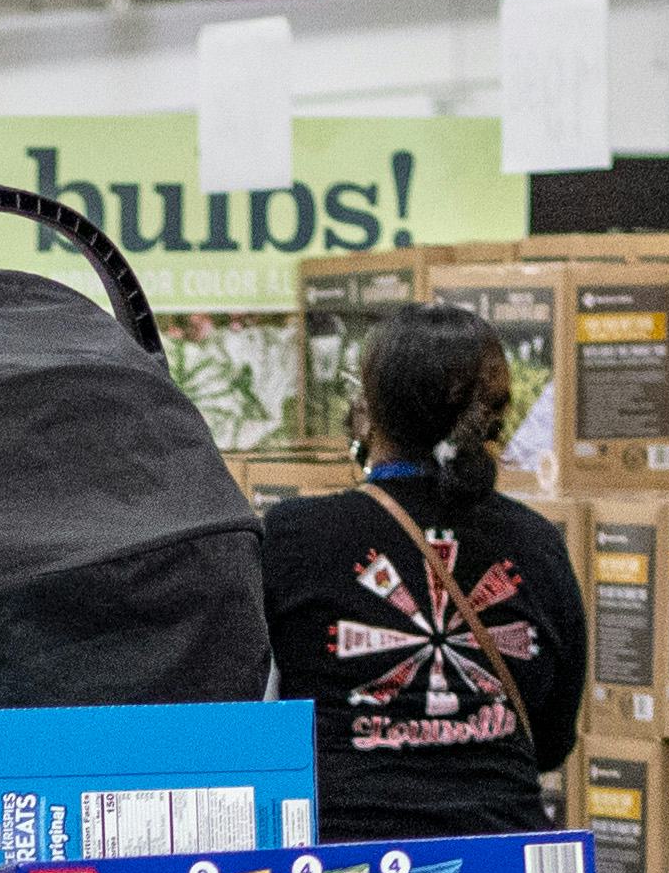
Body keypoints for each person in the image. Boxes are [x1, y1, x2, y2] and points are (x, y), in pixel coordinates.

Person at [243, 302, 579, 844]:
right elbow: (554, 738)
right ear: (491, 413)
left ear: (368, 409)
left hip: (340, 871)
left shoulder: (292, 536)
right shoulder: (537, 543)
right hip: (502, 861)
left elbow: (250, 716)